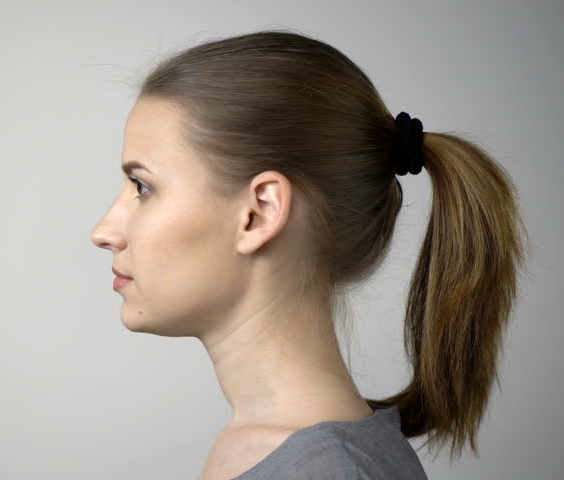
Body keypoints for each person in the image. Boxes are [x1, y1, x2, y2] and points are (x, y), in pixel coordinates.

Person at [90, 28, 530, 480]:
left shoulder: (328, 470)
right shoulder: (271, 449)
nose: (103, 231)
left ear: (259, 213)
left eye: (143, 187)